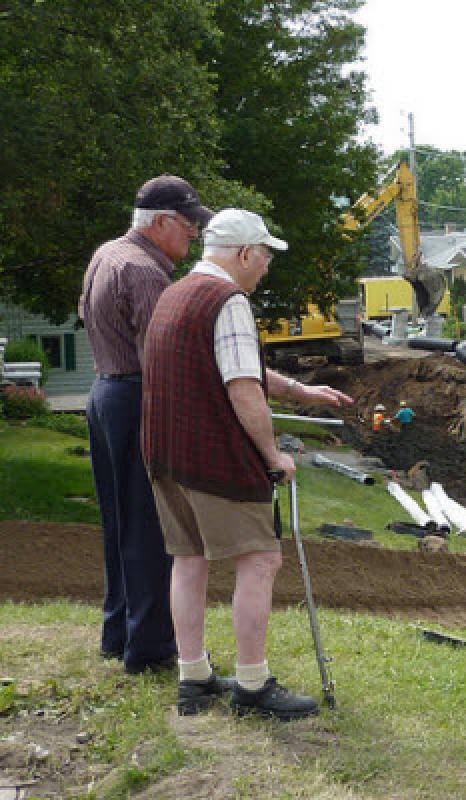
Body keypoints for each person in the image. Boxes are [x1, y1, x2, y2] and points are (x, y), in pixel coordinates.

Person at [140, 209, 353, 719]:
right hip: (211, 456)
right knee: (260, 559)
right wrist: (273, 456)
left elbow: (236, 363)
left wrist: (299, 390)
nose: (265, 269)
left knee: (188, 559)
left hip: (164, 454)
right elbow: (242, 388)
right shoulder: (228, 301)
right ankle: (253, 686)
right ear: (243, 254)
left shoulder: (176, 294)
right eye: (264, 258)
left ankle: (193, 676)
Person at [78, 175, 213, 674]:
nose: (194, 235)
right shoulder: (145, 272)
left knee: (118, 525)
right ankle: (151, 648)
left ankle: (118, 635)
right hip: (137, 395)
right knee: (149, 529)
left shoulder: (106, 254)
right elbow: (164, 357)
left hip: (105, 393)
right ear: (159, 222)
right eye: (188, 224)